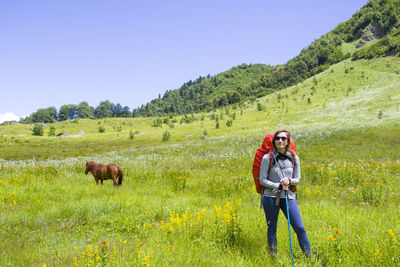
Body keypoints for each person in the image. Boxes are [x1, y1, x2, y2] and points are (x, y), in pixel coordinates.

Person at [259, 129, 311, 257]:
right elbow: (262, 180)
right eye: (277, 138)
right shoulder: (267, 158)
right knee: (272, 228)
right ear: (274, 141)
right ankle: (273, 256)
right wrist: (277, 185)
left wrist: (289, 180)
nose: (280, 140)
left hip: (288, 197)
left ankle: (309, 256)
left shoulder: (294, 158)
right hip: (270, 197)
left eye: (283, 138)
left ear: (288, 141)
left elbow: (297, 179)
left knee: (300, 228)